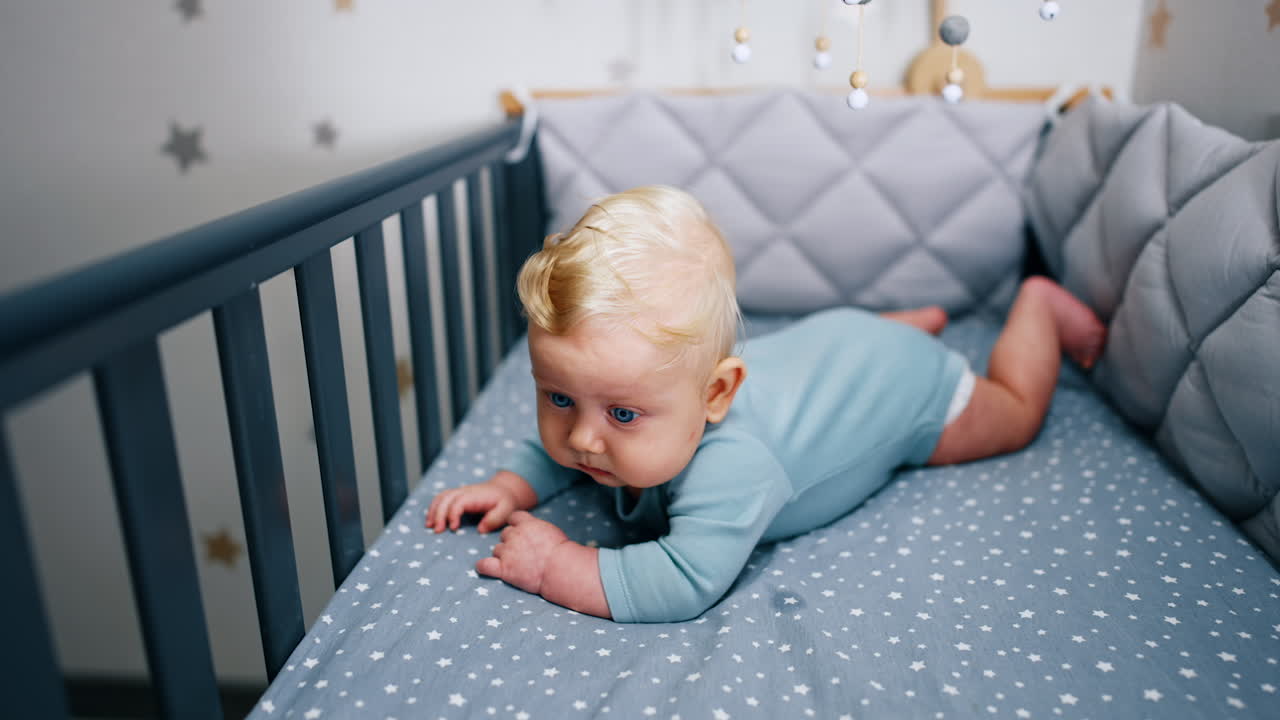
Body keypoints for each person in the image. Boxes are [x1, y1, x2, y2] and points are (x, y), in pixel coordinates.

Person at [424, 185, 1106, 623]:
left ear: (717, 394)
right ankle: (897, 326)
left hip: (910, 389)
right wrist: (510, 485)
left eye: (622, 414)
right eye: (559, 397)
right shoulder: (614, 415)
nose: (582, 440)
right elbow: (559, 452)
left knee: (1015, 413)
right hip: (834, 343)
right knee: (841, 344)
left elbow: (684, 580)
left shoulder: (734, 466)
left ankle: (1036, 309)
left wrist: (556, 566)